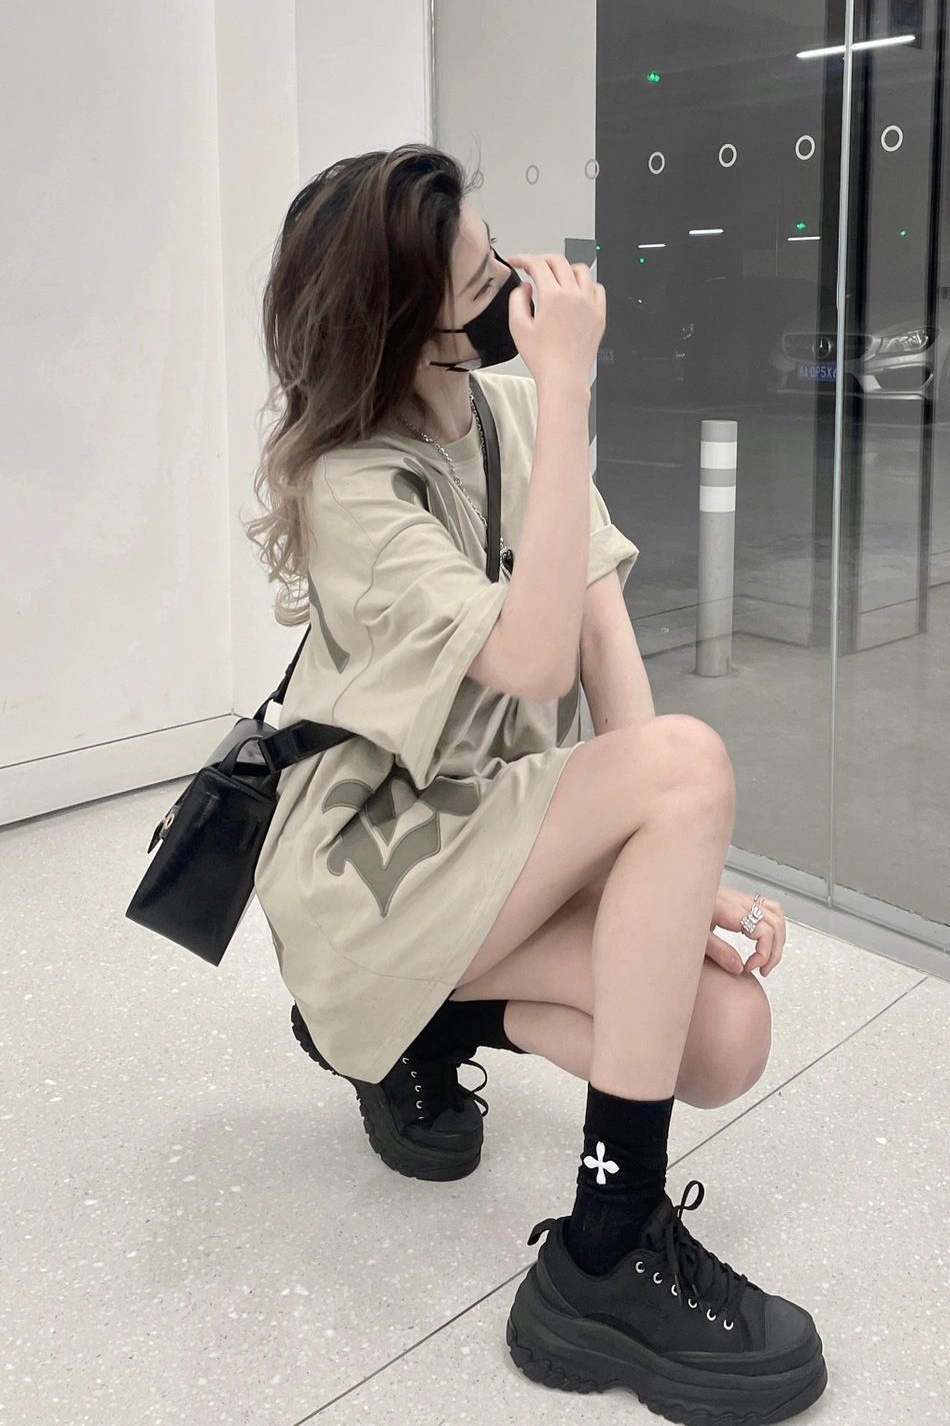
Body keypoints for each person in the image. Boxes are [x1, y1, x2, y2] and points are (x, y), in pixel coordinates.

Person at [247, 146, 827, 1424]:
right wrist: (569, 390)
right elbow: (532, 660)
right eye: (480, 278)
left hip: (494, 837)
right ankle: (607, 1248)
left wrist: (678, 864)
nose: (519, 282)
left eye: (496, 249)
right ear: (402, 324)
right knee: (691, 762)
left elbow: (606, 650)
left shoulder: (510, 423)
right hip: (378, 866)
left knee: (725, 1039)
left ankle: (431, 1025)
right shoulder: (354, 484)